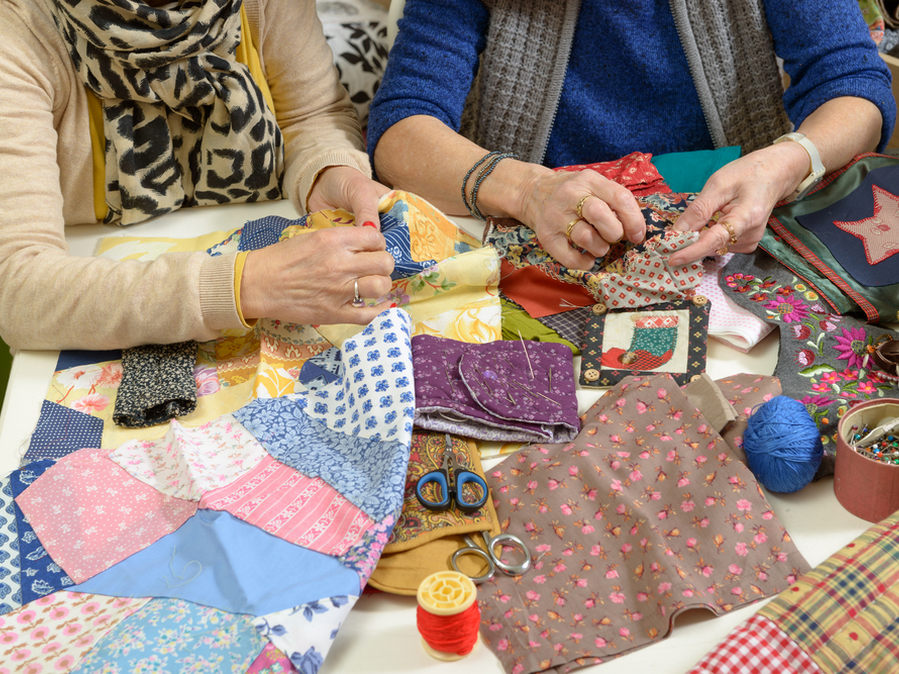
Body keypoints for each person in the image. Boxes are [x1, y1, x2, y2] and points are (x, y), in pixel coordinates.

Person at [368, 0, 895, 271]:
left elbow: (855, 88)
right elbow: (401, 128)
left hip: (731, 252)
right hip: (536, 257)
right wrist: (527, 191)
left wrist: (780, 164)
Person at [0, 0, 395, 351]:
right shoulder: (18, 30)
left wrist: (328, 169)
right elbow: (19, 290)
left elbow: (311, 116)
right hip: (93, 311)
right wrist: (245, 285)